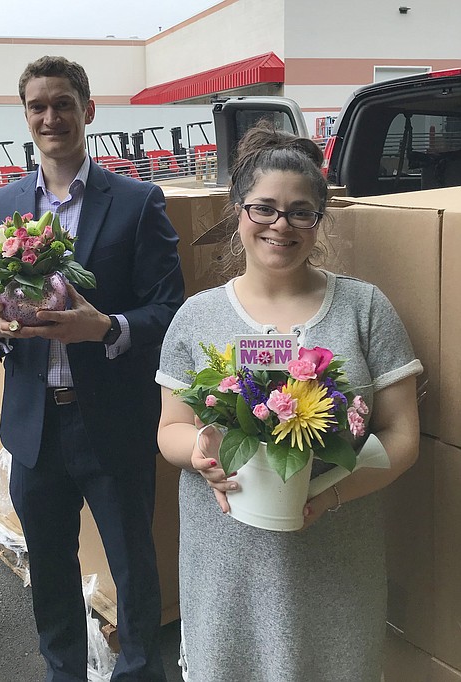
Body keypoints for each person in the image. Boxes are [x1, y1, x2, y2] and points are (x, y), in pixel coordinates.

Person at [156, 122, 423, 681]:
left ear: (319, 220)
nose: (282, 225)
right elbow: (171, 428)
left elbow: (401, 436)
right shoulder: (198, 316)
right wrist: (203, 455)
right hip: (225, 561)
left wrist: (331, 495)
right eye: (265, 208)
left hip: (333, 561)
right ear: (238, 211)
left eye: (301, 211)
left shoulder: (363, 309)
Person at [0, 55, 184, 681]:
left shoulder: (138, 202)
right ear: (26, 117)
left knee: (133, 564)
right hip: (35, 428)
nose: (50, 117)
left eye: (63, 103)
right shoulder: (2, 204)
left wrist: (107, 328)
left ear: (88, 111)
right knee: (51, 566)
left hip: (111, 420)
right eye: (37, 106)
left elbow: (169, 310)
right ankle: (63, 669)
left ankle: (140, 671)